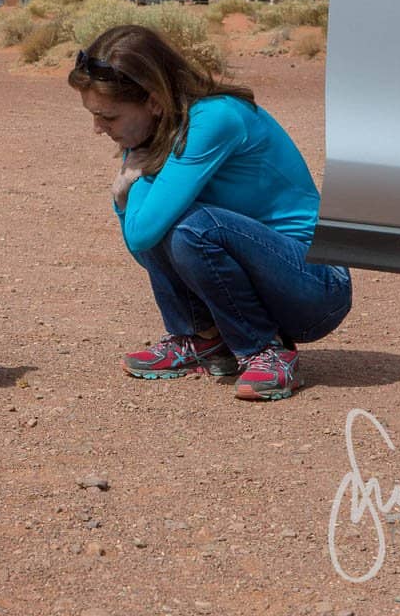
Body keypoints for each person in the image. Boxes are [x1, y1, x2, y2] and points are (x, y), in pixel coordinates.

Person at [68, 24, 352, 400]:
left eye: (108, 116)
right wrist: (123, 200)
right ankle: (201, 339)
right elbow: (148, 252)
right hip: (271, 282)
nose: (97, 129)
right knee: (180, 224)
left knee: (192, 227)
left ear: (153, 100)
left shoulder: (214, 119)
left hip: (316, 285)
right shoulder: (151, 131)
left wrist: (126, 195)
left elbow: (141, 234)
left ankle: (264, 349)